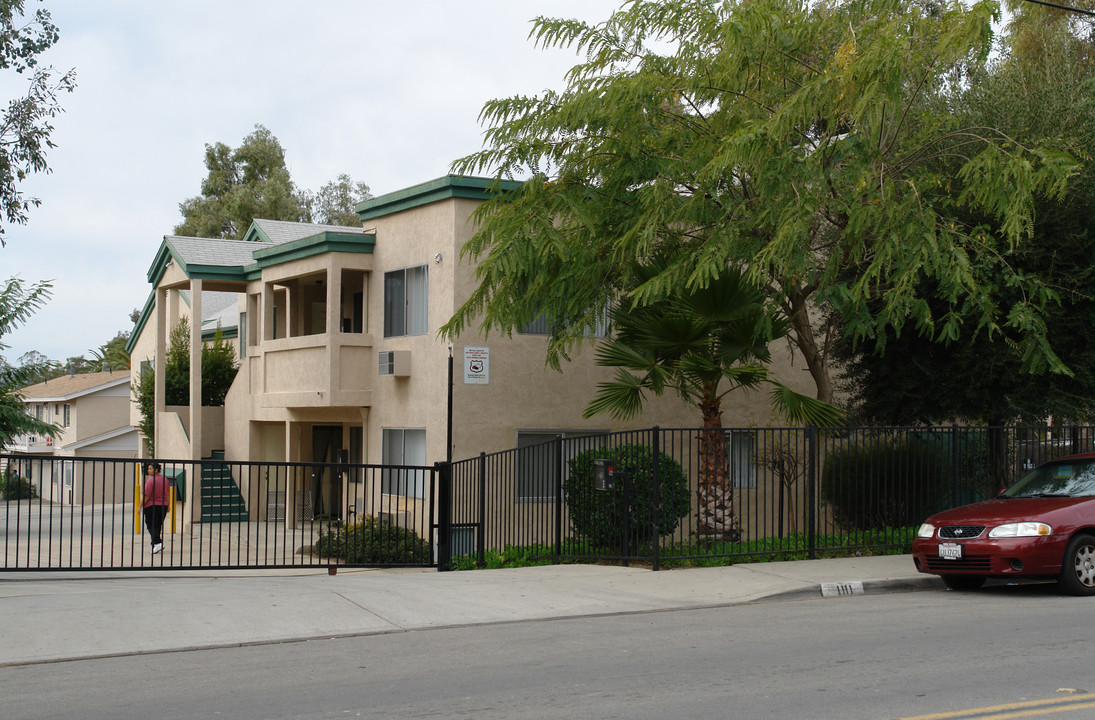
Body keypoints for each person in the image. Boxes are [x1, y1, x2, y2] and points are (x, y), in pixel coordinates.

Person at [143, 462, 170, 554]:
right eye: (148, 469)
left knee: (151, 525)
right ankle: (155, 544)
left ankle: (157, 543)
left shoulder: (151, 481)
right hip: (163, 506)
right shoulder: (165, 480)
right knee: (157, 525)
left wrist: (140, 506)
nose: (148, 470)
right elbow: (168, 493)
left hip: (151, 506)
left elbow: (146, 495)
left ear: (156, 470)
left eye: (150, 469)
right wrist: (169, 505)